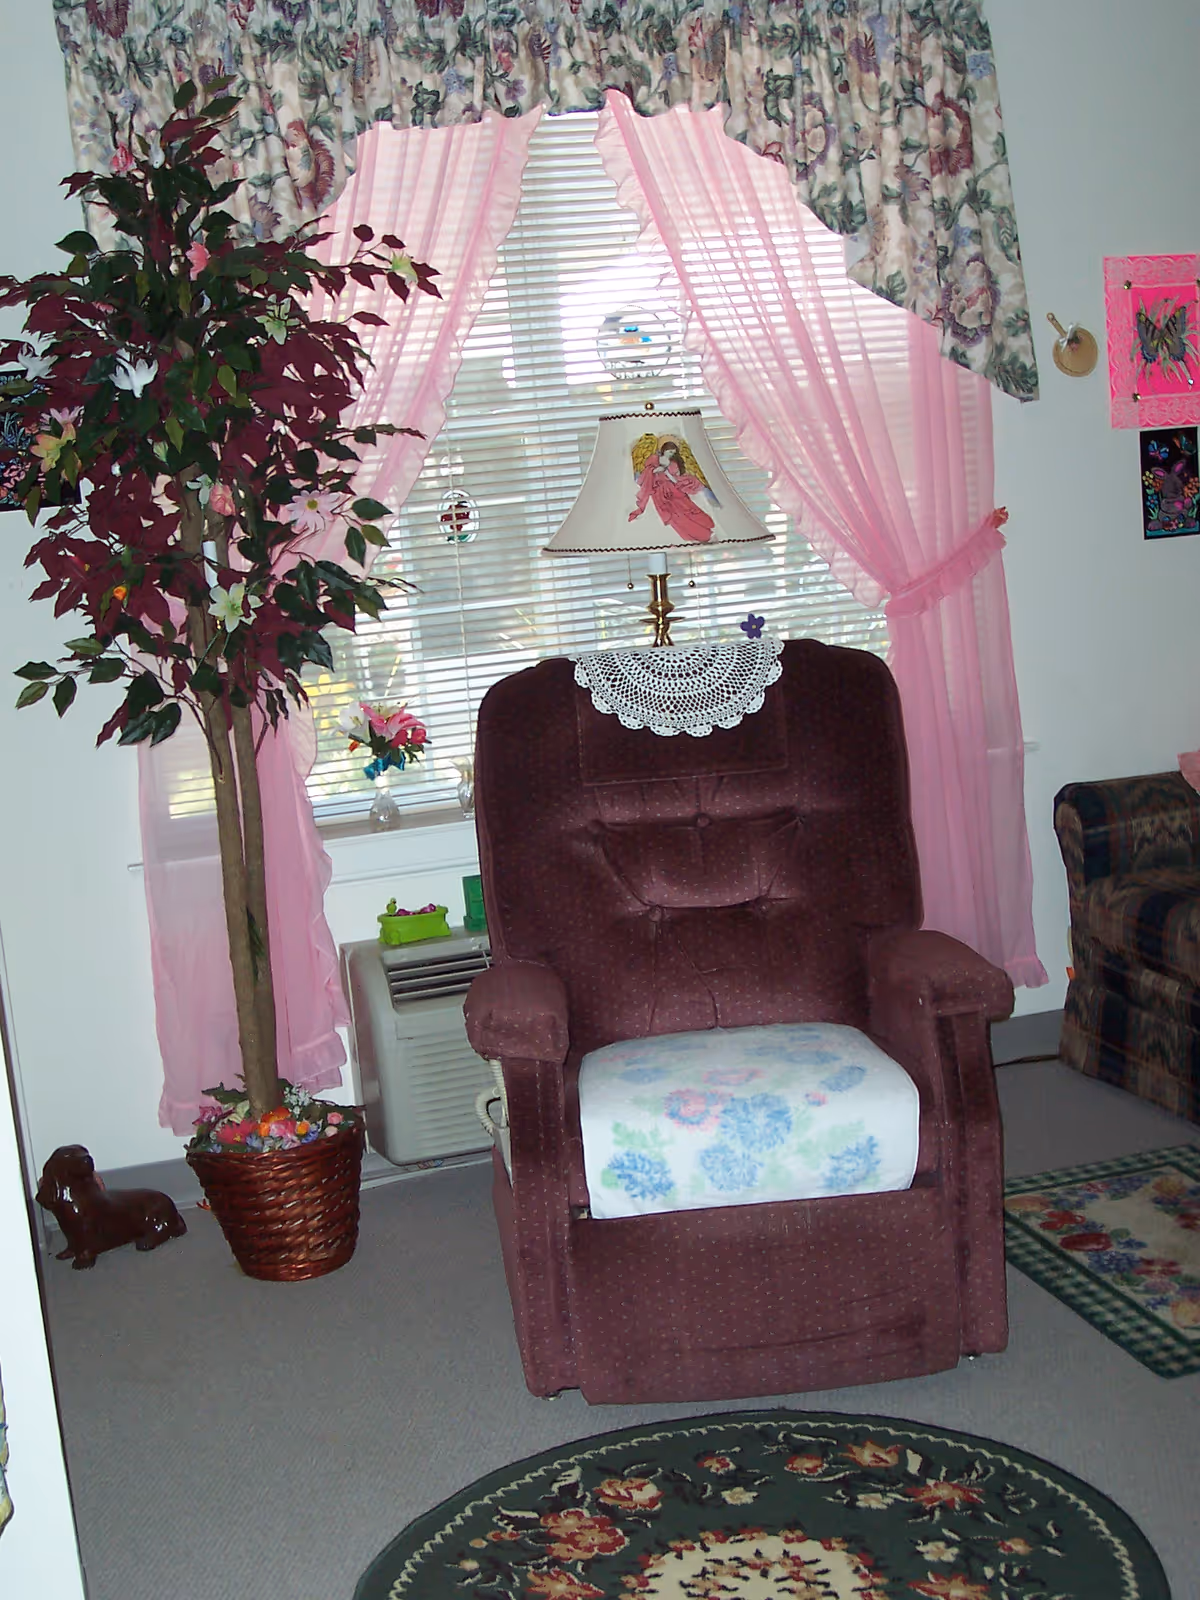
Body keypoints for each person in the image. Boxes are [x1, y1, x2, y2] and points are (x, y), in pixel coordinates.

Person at [628, 435, 715, 543]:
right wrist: (655, 470)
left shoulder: (673, 464)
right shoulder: (654, 459)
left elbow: (675, 480)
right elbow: (645, 474)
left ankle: (705, 532)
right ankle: (696, 536)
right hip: (660, 493)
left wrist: (666, 472)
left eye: (673, 453)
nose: (671, 455)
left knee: (687, 509)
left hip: (674, 490)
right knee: (675, 517)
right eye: (669, 452)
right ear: (664, 450)